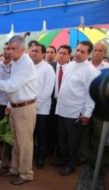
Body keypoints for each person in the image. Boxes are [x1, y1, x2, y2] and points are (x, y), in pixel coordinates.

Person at [0, 35, 37, 185]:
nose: (10, 51)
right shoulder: (17, 62)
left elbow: (10, 86)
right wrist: (10, 105)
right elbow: (16, 88)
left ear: (23, 49)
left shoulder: (25, 63)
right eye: (8, 48)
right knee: (16, 141)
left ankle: (26, 173)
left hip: (25, 108)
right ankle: (15, 168)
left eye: (13, 48)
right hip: (17, 107)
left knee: (24, 143)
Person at [51, 41, 99, 176]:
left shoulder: (91, 71)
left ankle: (70, 165)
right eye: (77, 50)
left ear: (88, 54)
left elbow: (92, 95)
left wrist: (87, 114)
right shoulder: (70, 65)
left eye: (82, 52)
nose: (78, 53)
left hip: (75, 113)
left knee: (73, 142)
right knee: (61, 138)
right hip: (62, 109)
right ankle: (63, 159)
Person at [78, 43, 109, 171]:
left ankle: (97, 162)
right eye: (95, 50)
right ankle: (83, 157)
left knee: (98, 135)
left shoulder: (107, 68)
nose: (97, 53)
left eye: (100, 51)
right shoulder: (83, 66)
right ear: (91, 52)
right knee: (83, 134)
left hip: (100, 108)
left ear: (104, 53)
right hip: (84, 106)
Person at [30, 44, 55, 169]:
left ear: (43, 54)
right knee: (30, 134)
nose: (33, 53)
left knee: (41, 134)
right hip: (28, 107)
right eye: (32, 50)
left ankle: (40, 157)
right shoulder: (28, 67)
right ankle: (29, 157)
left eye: (36, 51)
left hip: (42, 109)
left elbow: (48, 89)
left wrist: (37, 104)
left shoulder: (48, 68)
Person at [47, 45, 72, 157]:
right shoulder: (49, 67)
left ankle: (62, 153)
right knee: (51, 127)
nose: (61, 55)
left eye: (64, 53)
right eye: (60, 53)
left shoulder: (72, 68)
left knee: (63, 130)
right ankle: (50, 149)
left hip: (66, 104)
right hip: (51, 102)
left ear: (69, 56)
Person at [0, 42, 12, 121]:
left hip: (11, 103)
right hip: (0, 102)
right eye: (4, 49)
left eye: (8, 49)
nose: (5, 51)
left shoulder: (15, 66)